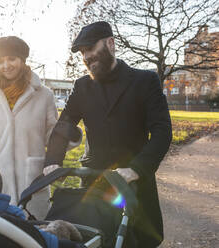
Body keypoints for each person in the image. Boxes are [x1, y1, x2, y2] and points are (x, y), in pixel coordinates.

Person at [43, 21, 172, 247]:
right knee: (95, 238)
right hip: (95, 180)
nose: (87, 56)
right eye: (83, 52)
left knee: (137, 240)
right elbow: (64, 125)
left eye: (91, 49)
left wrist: (137, 169)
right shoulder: (82, 86)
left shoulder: (144, 81)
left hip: (133, 181)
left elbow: (162, 131)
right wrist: (53, 161)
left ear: (111, 44)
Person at [0, 36, 77, 220]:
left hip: (33, 184)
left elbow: (51, 135)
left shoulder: (44, 96)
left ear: (22, 60)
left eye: (11, 59)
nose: (6, 65)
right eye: (0, 61)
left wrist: (70, 135)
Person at [0, 135, 81, 248]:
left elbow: (54, 135)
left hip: (30, 178)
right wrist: (59, 229)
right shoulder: (9, 221)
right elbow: (43, 241)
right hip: (11, 215)